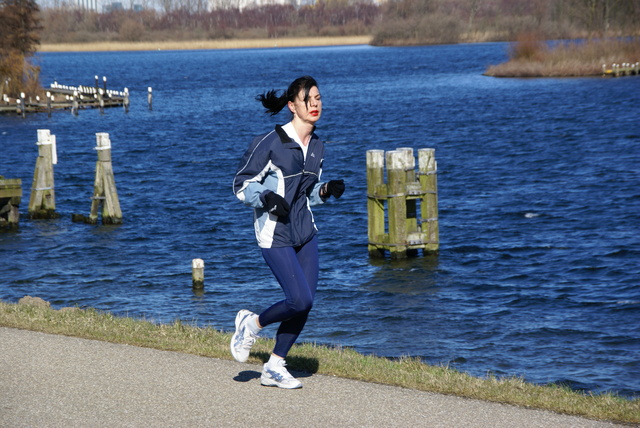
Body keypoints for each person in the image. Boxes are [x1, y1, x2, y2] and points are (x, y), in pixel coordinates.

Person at [231, 76, 345, 389]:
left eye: (318, 98)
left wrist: (324, 191)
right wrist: (266, 198)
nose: (315, 104)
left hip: (305, 232)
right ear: (292, 106)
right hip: (274, 234)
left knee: (305, 301)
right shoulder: (269, 143)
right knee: (297, 298)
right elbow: (240, 185)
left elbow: (304, 196)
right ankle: (250, 324)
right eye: (308, 99)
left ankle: (274, 366)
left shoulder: (318, 146)